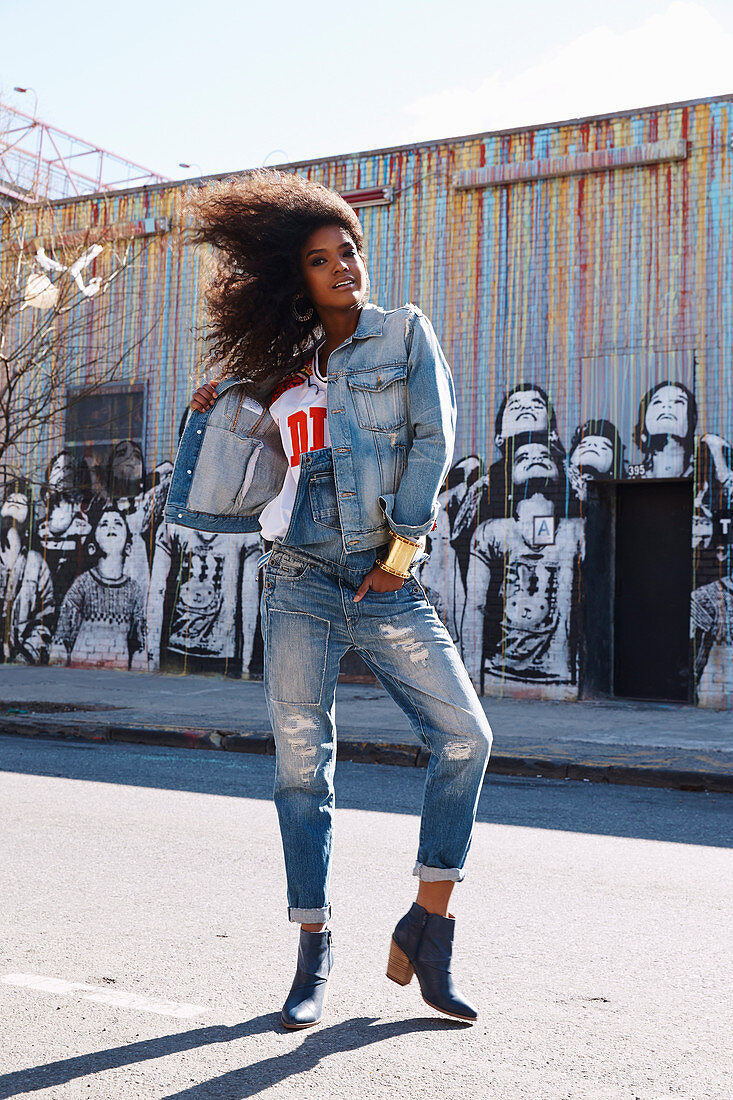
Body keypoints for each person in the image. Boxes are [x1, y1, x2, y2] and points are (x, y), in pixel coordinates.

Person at [173, 170, 492, 1029]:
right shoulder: (273, 370)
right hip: (296, 582)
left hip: (382, 577)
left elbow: (435, 436)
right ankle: (311, 950)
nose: (342, 265)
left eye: (347, 249)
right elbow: (231, 481)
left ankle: (429, 926)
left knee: (465, 737)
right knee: (301, 770)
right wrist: (214, 408)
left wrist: (403, 546)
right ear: (297, 279)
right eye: (320, 259)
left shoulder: (403, 335)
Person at [51, 504, 146, 669]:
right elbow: (63, 633)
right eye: (104, 524)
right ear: (92, 547)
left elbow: (139, 640)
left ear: (129, 547)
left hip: (118, 670)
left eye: (118, 523)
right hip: (81, 666)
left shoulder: (134, 590)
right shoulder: (83, 584)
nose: (111, 527)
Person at [633, 381, 696, 478]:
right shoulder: (634, 475)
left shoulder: (704, 477)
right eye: (657, 402)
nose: (666, 406)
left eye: (678, 402)